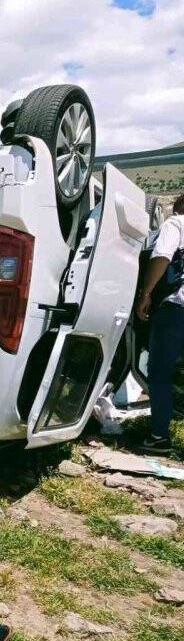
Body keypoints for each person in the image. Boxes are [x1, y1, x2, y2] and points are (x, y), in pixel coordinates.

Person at [134, 192, 184, 454]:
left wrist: (146, 294)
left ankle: (159, 437)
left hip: (176, 309)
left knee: (160, 373)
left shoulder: (176, 223)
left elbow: (162, 256)